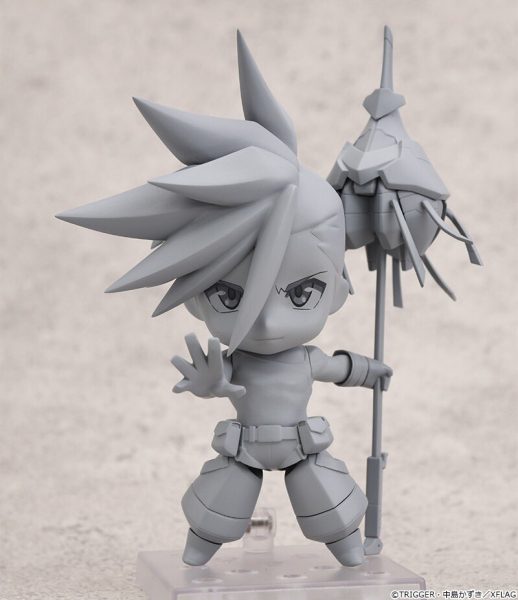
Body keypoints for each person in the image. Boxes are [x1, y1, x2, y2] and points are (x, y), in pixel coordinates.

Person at [57, 31, 391, 567]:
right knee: (220, 504)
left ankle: (350, 551)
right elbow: (235, 380)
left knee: (328, 502)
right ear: (195, 297)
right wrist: (212, 385)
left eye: (302, 292)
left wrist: (371, 371)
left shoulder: (304, 358)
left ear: (340, 289)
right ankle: (197, 557)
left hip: (304, 447)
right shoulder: (238, 361)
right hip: (244, 448)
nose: (267, 321)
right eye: (229, 295)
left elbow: (337, 367)